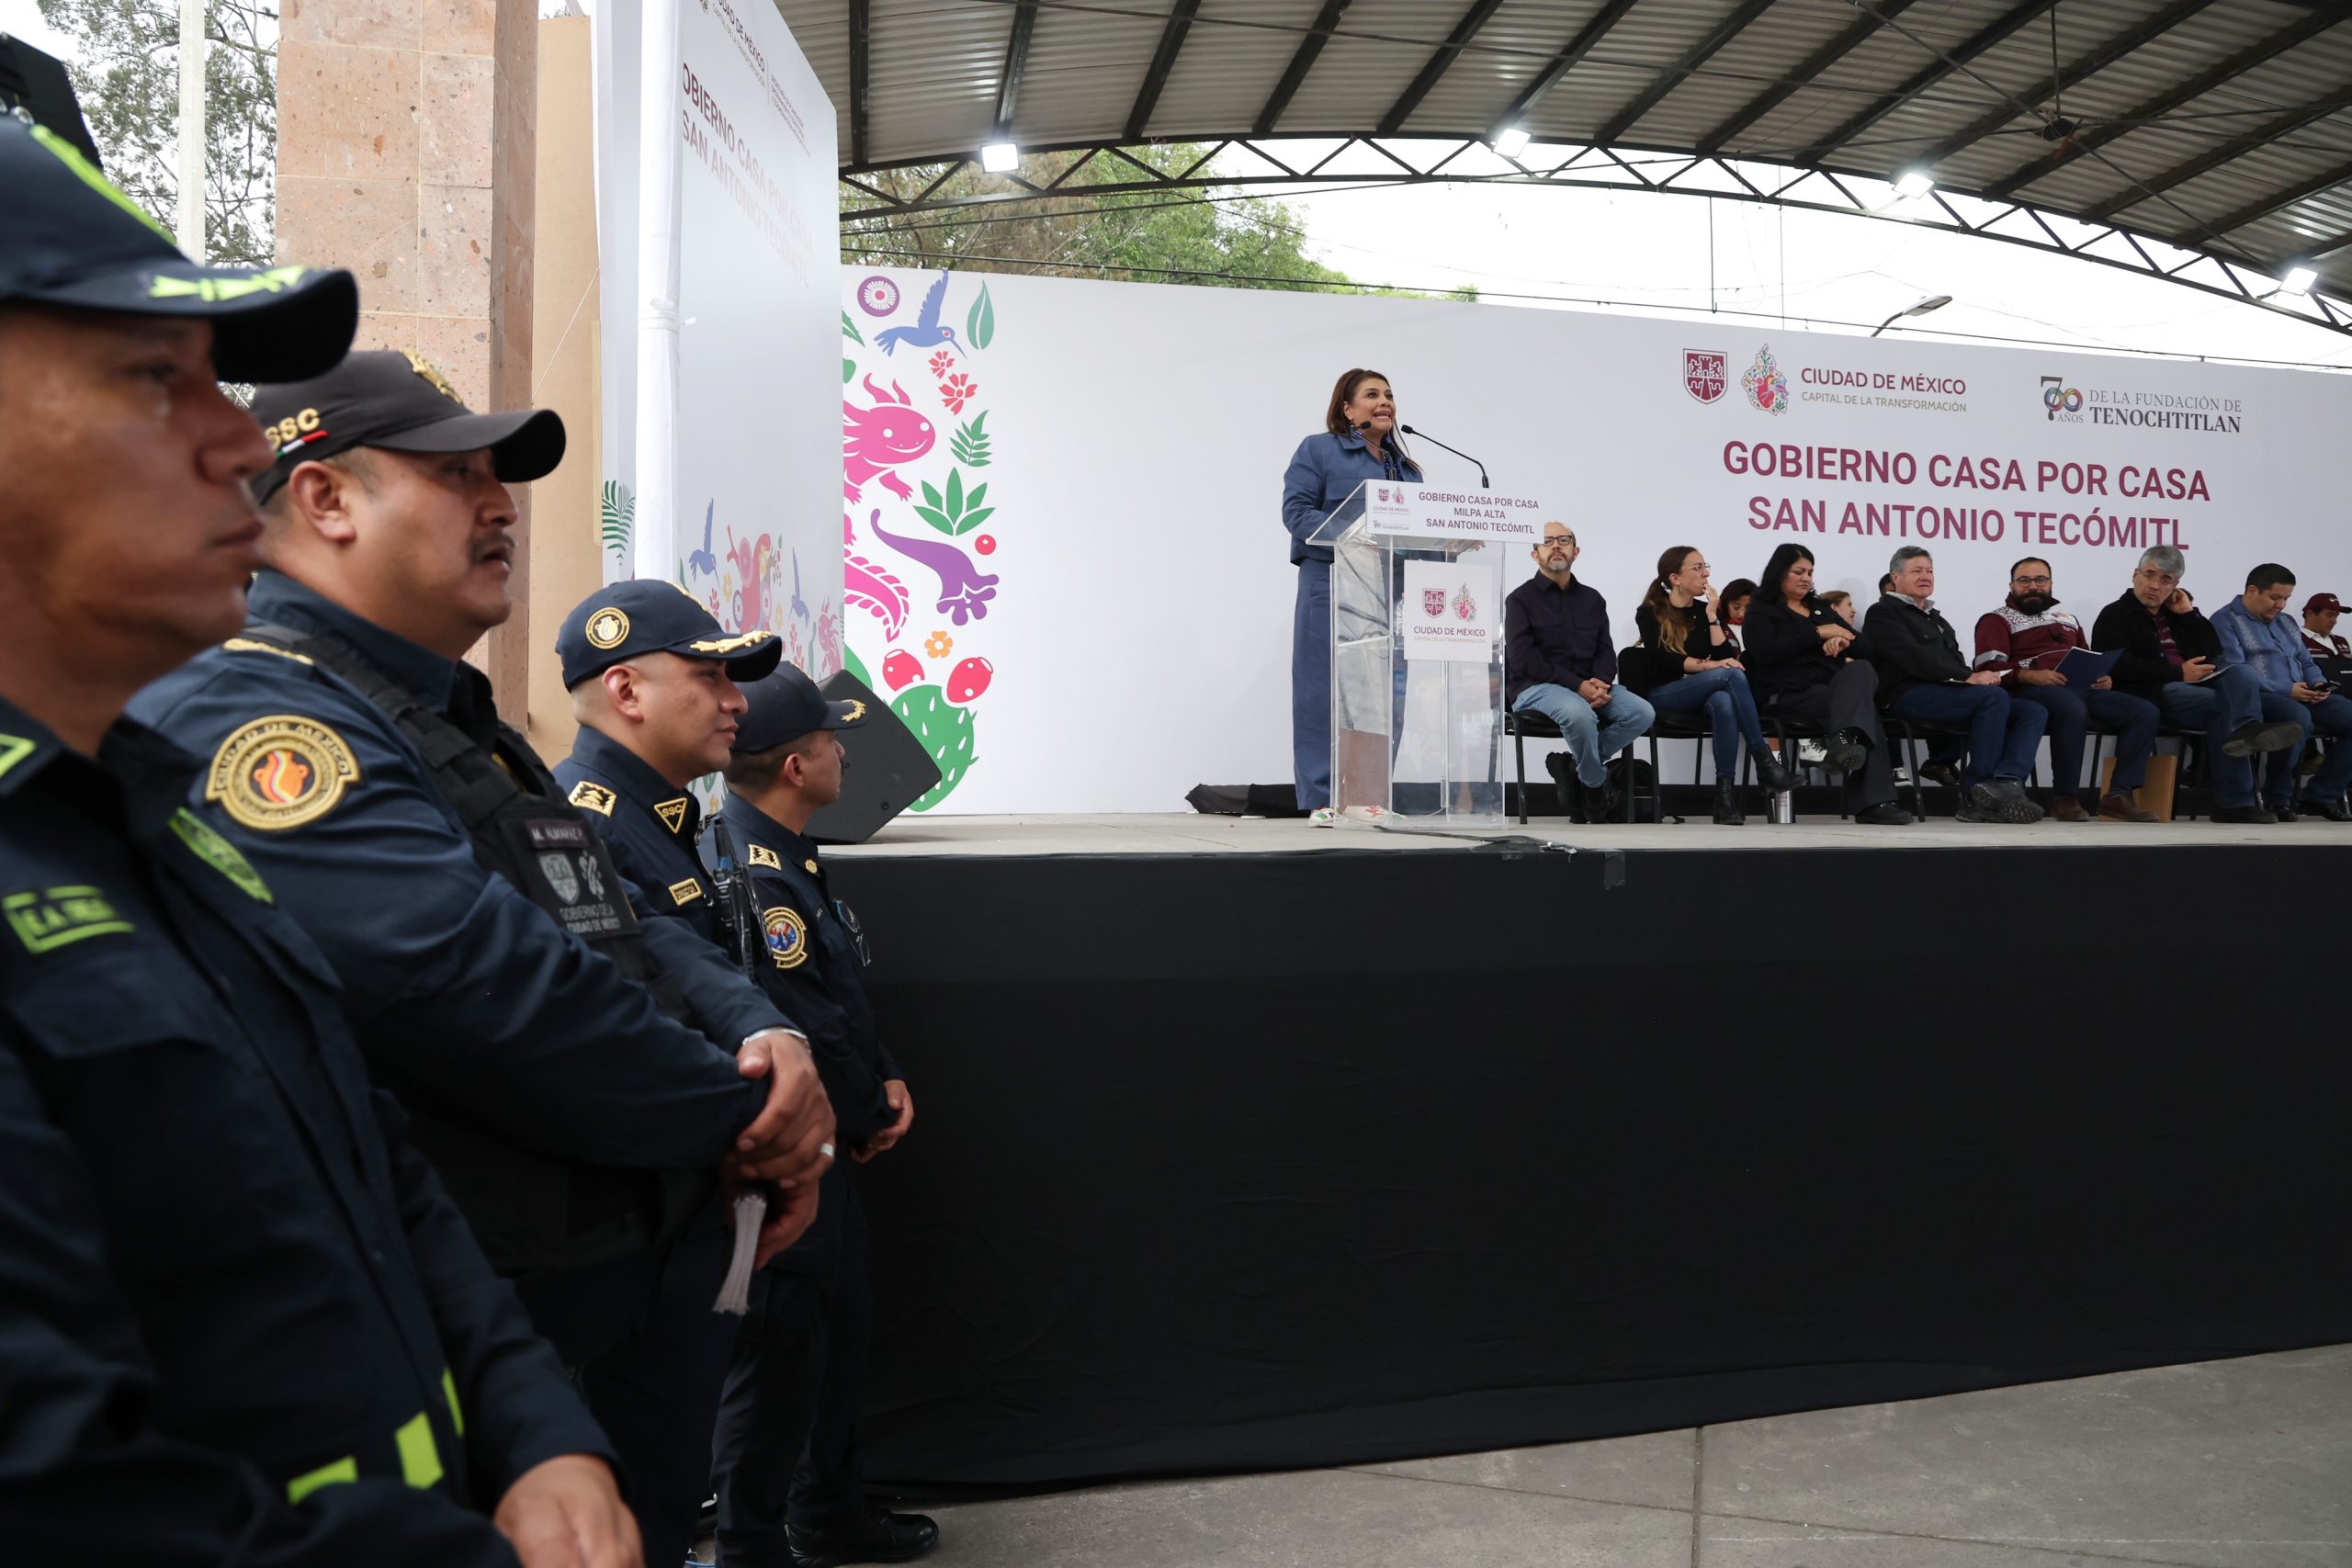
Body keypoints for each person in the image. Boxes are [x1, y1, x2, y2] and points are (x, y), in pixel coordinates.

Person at [0, 116, 632, 1563]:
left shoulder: (138, 808)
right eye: (157, 380)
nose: (236, 446)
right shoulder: (221, 759)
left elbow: (372, 1172)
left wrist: (534, 1421)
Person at [130, 351, 837, 1568]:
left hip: (601, 1282)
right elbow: (474, 979)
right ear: (324, 500)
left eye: (498, 476)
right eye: (457, 474)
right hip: (472, 1329)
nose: (502, 502)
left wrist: (769, 1034)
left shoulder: (447, 717)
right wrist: (753, 1114)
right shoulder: (262, 717)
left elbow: (622, 916)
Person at [709, 668, 939, 1568]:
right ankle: (751, 1543)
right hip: (791, 1161)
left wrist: (881, 1077)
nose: (846, 751)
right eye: (831, 741)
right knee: (777, 1358)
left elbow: (839, 997)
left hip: (833, 1145)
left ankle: (828, 1507)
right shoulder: (755, 873)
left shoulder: (789, 850)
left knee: (836, 1336)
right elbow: (798, 1024)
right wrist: (868, 1107)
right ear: (799, 767)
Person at [1280, 368, 1421, 815]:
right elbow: (1297, 513)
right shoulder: (1319, 449)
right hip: (1330, 581)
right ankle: (1323, 800)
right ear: (1347, 408)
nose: (1385, 402)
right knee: (1323, 693)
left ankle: (1371, 798)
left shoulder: (1405, 468)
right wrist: (1360, 536)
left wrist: (1448, 546)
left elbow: (1417, 534)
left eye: (1390, 395)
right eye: (1373, 394)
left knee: (1384, 696)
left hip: (1389, 592)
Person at [2091, 547, 2301, 826]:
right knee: (2227, 711)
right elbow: (2115, 665)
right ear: (2135, 575)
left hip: (2196, 688)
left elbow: (2212, 652)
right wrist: (2177, 673)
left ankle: (2246, 730)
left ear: (2176, 585)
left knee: (2240, 674)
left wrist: (2188, 615)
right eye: (2149, 575)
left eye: (2166, 580)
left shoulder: (2177, 614)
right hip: (2149, 692)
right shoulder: (2116, 614)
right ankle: (2235, 800)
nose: (2155, 585)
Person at [1866, 547, 2048, 824]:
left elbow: (1957, 663)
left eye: (1929, 571)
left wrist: (1978, 677)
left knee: (2032, 711)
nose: (1926, 576)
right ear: (1896, 577)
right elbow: (1911, 657)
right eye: (1917, 571)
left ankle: (2006, 783)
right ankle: (1976, 795)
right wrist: (1968, 678)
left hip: (1942, 693)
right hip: (1904, 695)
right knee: (1992, 698)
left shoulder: (1938, 620)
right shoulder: (1883, 612)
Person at [1972, 558, 2160, 822]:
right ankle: (2065, 797)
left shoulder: (2068, 619)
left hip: (2080, 688)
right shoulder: (1996, 619)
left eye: (2041, 580)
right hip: (2030, 690)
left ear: (2050, 584)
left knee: (2143, 711)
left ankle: (2119, 794)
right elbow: (1988, 670)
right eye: (2024, 581)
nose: (2033, 586)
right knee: (2071, 708)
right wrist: (2029, 675)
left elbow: (2086, 655)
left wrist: (2102, 676)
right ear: (2012, 586)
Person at [1740, 545, 1910, 824]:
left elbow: (1867, 647)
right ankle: (1873, 802)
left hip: (1829, 692)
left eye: (1810, 572)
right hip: (1786, 694)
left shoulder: (1819, 608)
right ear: (1779, 572)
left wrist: (1843, 640)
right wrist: (1818, 633)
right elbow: (1766, 652)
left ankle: (1843, 742)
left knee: (1863, 668)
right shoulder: (1762, 611)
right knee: (1866, 713)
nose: (1806, 578)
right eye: (1798, 572)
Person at [1504, 522, 1656, 822]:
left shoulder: (1592, 599)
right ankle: (1595, 787)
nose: (1556, 545)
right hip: (1535, 687)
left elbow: (1605, 649)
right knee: (1579, 714)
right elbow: (1523, 659)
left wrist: (1600, 681)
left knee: (1642, 713)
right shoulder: (1520, 600)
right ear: (1536, 555)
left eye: (1564, 540)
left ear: (1576, 551)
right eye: (1547, 541)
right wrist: (1577, 686)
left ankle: (1576, 768)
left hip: (1589, 684)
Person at [1634, 546, 1794, 824]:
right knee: (1728, 676)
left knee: (1723, 700)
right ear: (1675, 578)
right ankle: (1765, 762)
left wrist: (1712, 616)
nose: (1706, 573)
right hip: (1663, 693)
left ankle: (1724, 798)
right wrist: (1708, 666)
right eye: (1697, 568)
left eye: (1705, 566)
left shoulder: (1702, 611)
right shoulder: (1650, 612)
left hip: (1701, 690)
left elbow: (1725, 657)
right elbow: (1666, 660)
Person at [2211, 563, 2352, 821]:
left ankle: (2320, 795)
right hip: (2261, 697)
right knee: (2296, 718)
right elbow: (2235, 670)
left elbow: (2307, 662)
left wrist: (2318, 683)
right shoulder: (2225, 620)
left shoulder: (2286, 622)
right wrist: (2286, 690)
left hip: (2304, 693)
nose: (2281, 605)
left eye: (2286, 598)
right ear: (2252, 591)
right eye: (2275, 597)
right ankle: (2277, 798)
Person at [2301, 592, 2350, 659]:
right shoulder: (2294, 641)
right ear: (2310, 614)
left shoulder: (2343, 642)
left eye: (2336, 616)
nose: (2334, 621)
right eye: (2329, 615)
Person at [1716, 578, 1757, 651]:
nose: (1741, 614)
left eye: (1749, 608)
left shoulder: (1761, 629)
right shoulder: (1715, 627)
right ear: (1725, 604)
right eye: (1736, 607)